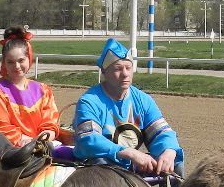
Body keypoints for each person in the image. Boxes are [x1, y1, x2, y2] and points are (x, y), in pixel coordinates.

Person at [73, 37, 182, 176]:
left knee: (174, 163)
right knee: (101, 163)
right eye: (118, 69)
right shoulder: (89, 101)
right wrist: (129, 153)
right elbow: (88, 140)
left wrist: (169, 150)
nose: (125, 74)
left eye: (128, 68)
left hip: (134, 164)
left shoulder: (143, 100)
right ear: (104, 72)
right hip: (103, 165)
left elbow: (162, 132)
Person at [0, 26, 73, 148]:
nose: (17, 66)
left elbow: (50, 123)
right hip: (10, 151)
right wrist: (26, 141)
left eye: (21, 60)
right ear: (4, 62)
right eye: (10, 62)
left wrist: (42, 140)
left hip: (43, 146)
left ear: (29, 59)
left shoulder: (43, 90)